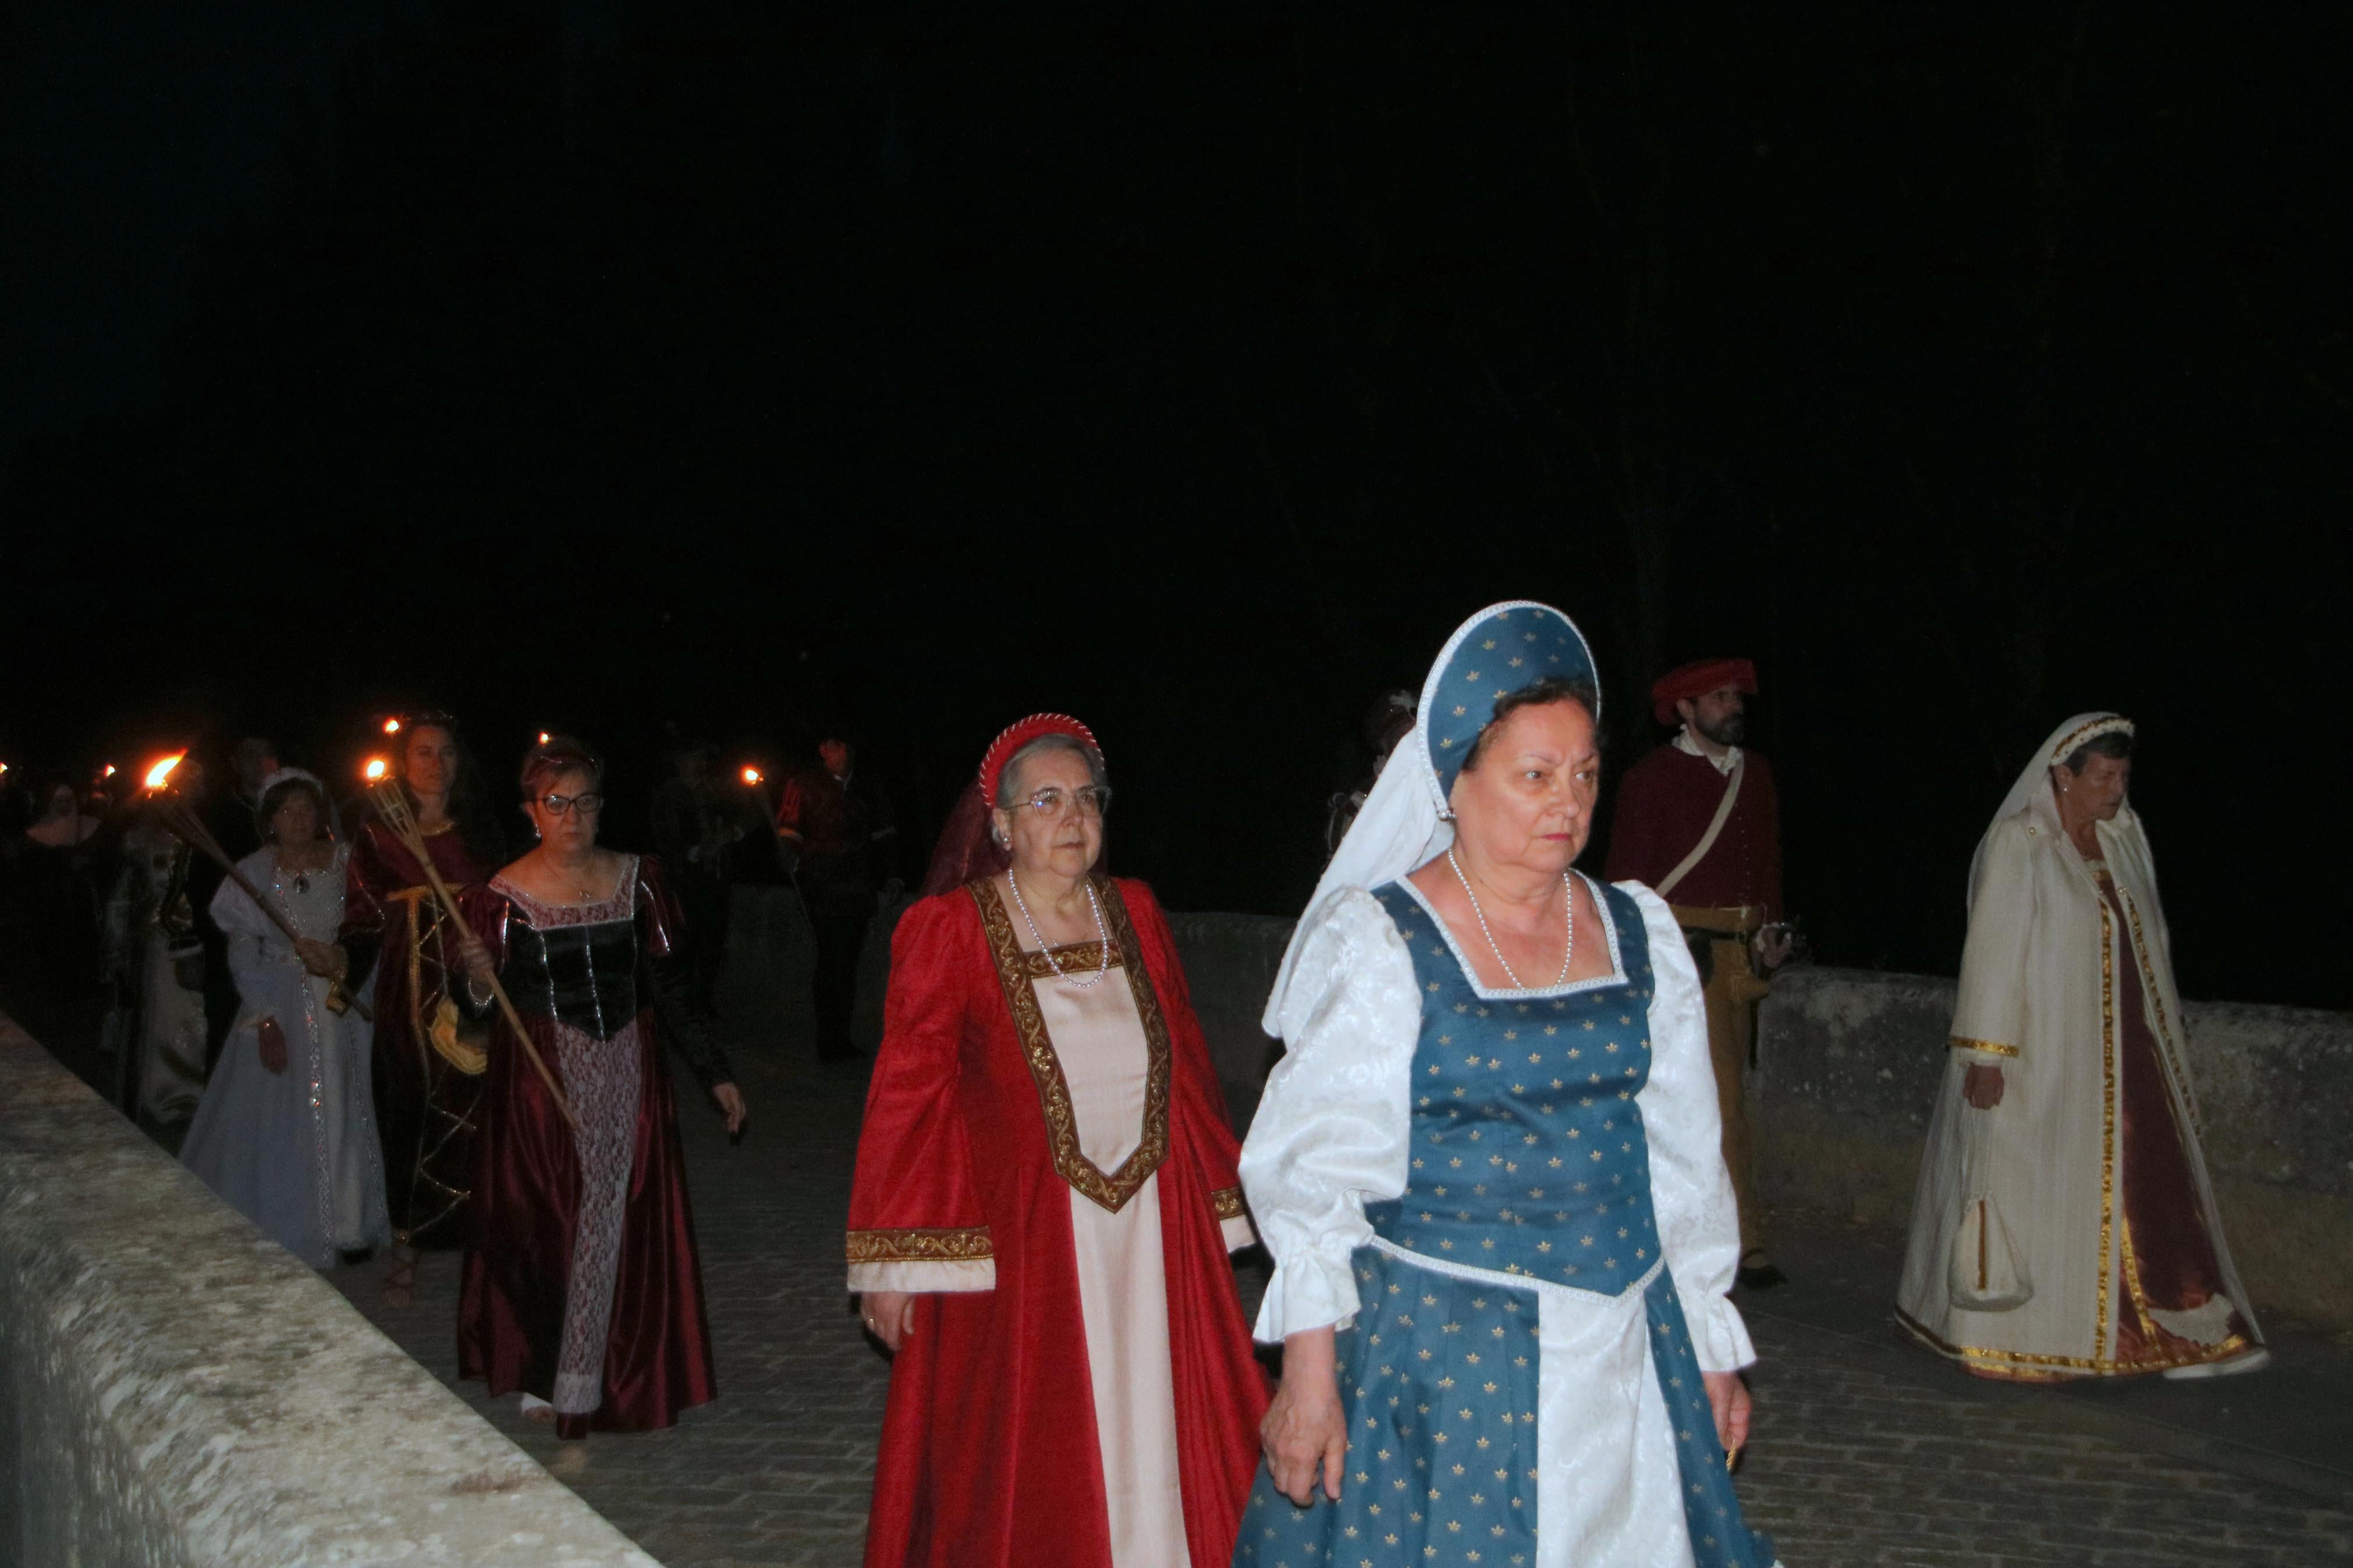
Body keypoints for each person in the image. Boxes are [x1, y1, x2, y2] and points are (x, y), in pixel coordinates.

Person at [1240, 602, 1776, 1568]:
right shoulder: (1381, 943)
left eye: (1582, 775)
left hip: (1630, 1348)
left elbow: (1686, 1159)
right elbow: (1317, 1180)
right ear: (1455, 782)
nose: (1566, 804)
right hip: (1450, 1365)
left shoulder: (1635, 929)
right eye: (1533, 776)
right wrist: (1307, 1383)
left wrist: (1707, 1342)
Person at [850, 714, 1266, 1568]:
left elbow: (1182, 1056)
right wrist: (895, 1259)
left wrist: (1220, 1202)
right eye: (1045, 799)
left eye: (1086, 796)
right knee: (1030, 1440)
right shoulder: (952, 928)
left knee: (1163, 1405)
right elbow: (908, 1093)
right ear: (1000, 824)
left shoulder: (1136, 911)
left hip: (1153, 1225)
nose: (1072, 815)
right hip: (1025, 1240)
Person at [1897, 714, 2267, 1382]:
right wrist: (1986, 1054)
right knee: (2039, 1191)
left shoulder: (2123, 840)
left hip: (2125, 1049)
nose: (2116, 789)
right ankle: (2032, 1334)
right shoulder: (2021, 844)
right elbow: (1992, 955)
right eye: (2103, 776)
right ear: (2062, 776)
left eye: (2123, 776)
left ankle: (2174, 1328)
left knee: (2150, 1183)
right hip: (2043, 1053)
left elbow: (2150, 941)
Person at [450, 736, 747, 1438]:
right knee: (548, 1219)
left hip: (629, 1068)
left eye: (585, 802)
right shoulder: (499, 897)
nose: (573, 816)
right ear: (532, 811)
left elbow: (672, 986)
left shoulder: (638, 879)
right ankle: (545, 1365)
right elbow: (475, 1013)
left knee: (619, 1212)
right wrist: (472, 976)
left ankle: (607, 1369)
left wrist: (717, 1072)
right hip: (542, 1076)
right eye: (557, 803)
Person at [1605, 657, 1792, 1289]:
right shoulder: (1650, 779)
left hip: (1739, 956)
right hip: (1682, 954)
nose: (1733, 705)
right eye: (1718, 697)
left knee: (1724, 1097)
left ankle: (1717, 1234)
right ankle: (1739, 1241)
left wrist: (1769, 927)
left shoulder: (1756, 774)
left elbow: (1764, 861)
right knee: (1713, 1104)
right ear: (1684, 710)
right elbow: (1627, 882)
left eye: (1737, 695)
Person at [179, 770, 392, 1268]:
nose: (299, 818)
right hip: (285, 1002)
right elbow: (243, 954)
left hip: (344, 1001)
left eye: (307, 808)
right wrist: (266, 1018)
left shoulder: (348, 863)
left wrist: (347, 966)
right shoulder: (253, 872)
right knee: (292, 1116)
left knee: (348, 1106)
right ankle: (300, 1220)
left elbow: (371, 931)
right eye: (287, 810)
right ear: (269, 820)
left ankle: (352, 1221)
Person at [339, 713, 506, 1307]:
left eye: (446, 753)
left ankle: (483, 1237)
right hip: (407, 994)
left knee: (478, 1110)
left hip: (473, 983)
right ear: (404, 761)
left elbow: (510, 906)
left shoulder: (484, 832)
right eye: (422, 752)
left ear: (461, 762)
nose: (435, 764)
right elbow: (360, 914)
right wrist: (341, 963)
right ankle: (405, 1242)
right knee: (408, 1107)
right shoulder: (380, 830)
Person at [777, 733, 899, 1061]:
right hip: (822, 887)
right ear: (824, 750)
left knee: (848, 962)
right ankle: (829, 1039)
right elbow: (789, 830)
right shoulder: (803, 785)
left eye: (847, 746)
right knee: (832, 962)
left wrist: (891, 875)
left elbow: (884, 834)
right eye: (835, 746)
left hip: (858, 887)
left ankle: (840, 1037)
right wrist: (788, 853)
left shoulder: (867, 787)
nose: (842, 752)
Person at [101, 784, 212, 1126]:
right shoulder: (141, 839)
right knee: (148, 1023)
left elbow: (190, 898)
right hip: (146, 946)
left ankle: (180, 1100)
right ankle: (149, 1099)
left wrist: (187, 941)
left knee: (178, 1023)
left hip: (177, 944)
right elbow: (124, 896)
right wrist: (116, 949)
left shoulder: (197, 840)